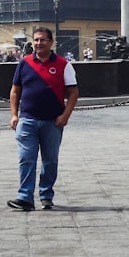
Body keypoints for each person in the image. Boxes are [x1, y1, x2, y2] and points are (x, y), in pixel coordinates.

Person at [7, 26, 79, 211]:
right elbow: (15, 91)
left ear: (51, 42)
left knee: (50, 160)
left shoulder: (64, 65)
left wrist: (65, 116)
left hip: (53, 121)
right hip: (28, 119)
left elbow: (73, 93)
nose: (39, 43)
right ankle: (25, 197)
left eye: (43, 40)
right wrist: (14, 115)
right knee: (26, 158)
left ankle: (46, 194)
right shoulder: (24, 63)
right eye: (36, 40)